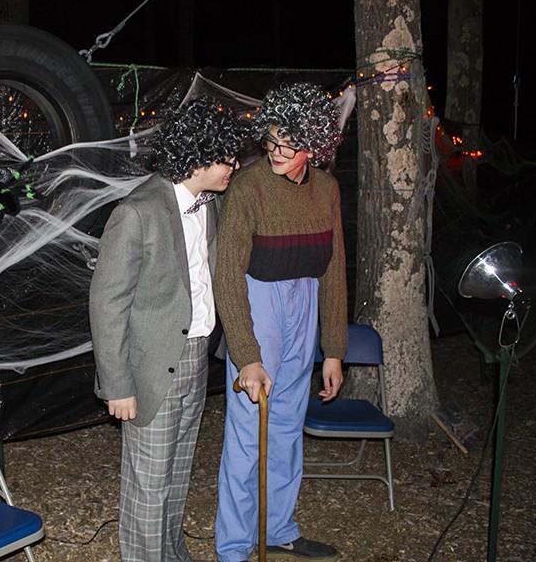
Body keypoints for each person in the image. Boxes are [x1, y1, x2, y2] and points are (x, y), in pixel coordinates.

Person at [90, 95, 250, 562]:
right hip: (150, 368)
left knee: (177, 476)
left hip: (196, 355)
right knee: (148, 485)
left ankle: (173, 554)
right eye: (226, 158)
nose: (234, 167)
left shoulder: (209, 204)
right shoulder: (137, 212)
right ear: (198, 156)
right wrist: (116, 385)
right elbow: (106, 304)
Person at [213, 82, 348, 562]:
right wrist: (246, 356)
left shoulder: (327, 190)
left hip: (305, 302)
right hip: (258, 304)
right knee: (249, 432)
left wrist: (333, 350)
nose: (274, 151)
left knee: (288, 429)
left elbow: (333, 271)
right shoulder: (249, 187)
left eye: (287, 145)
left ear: (312, 145)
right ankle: (233, 547)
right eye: (270, 140)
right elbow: (226, 275)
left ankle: (278, 528)